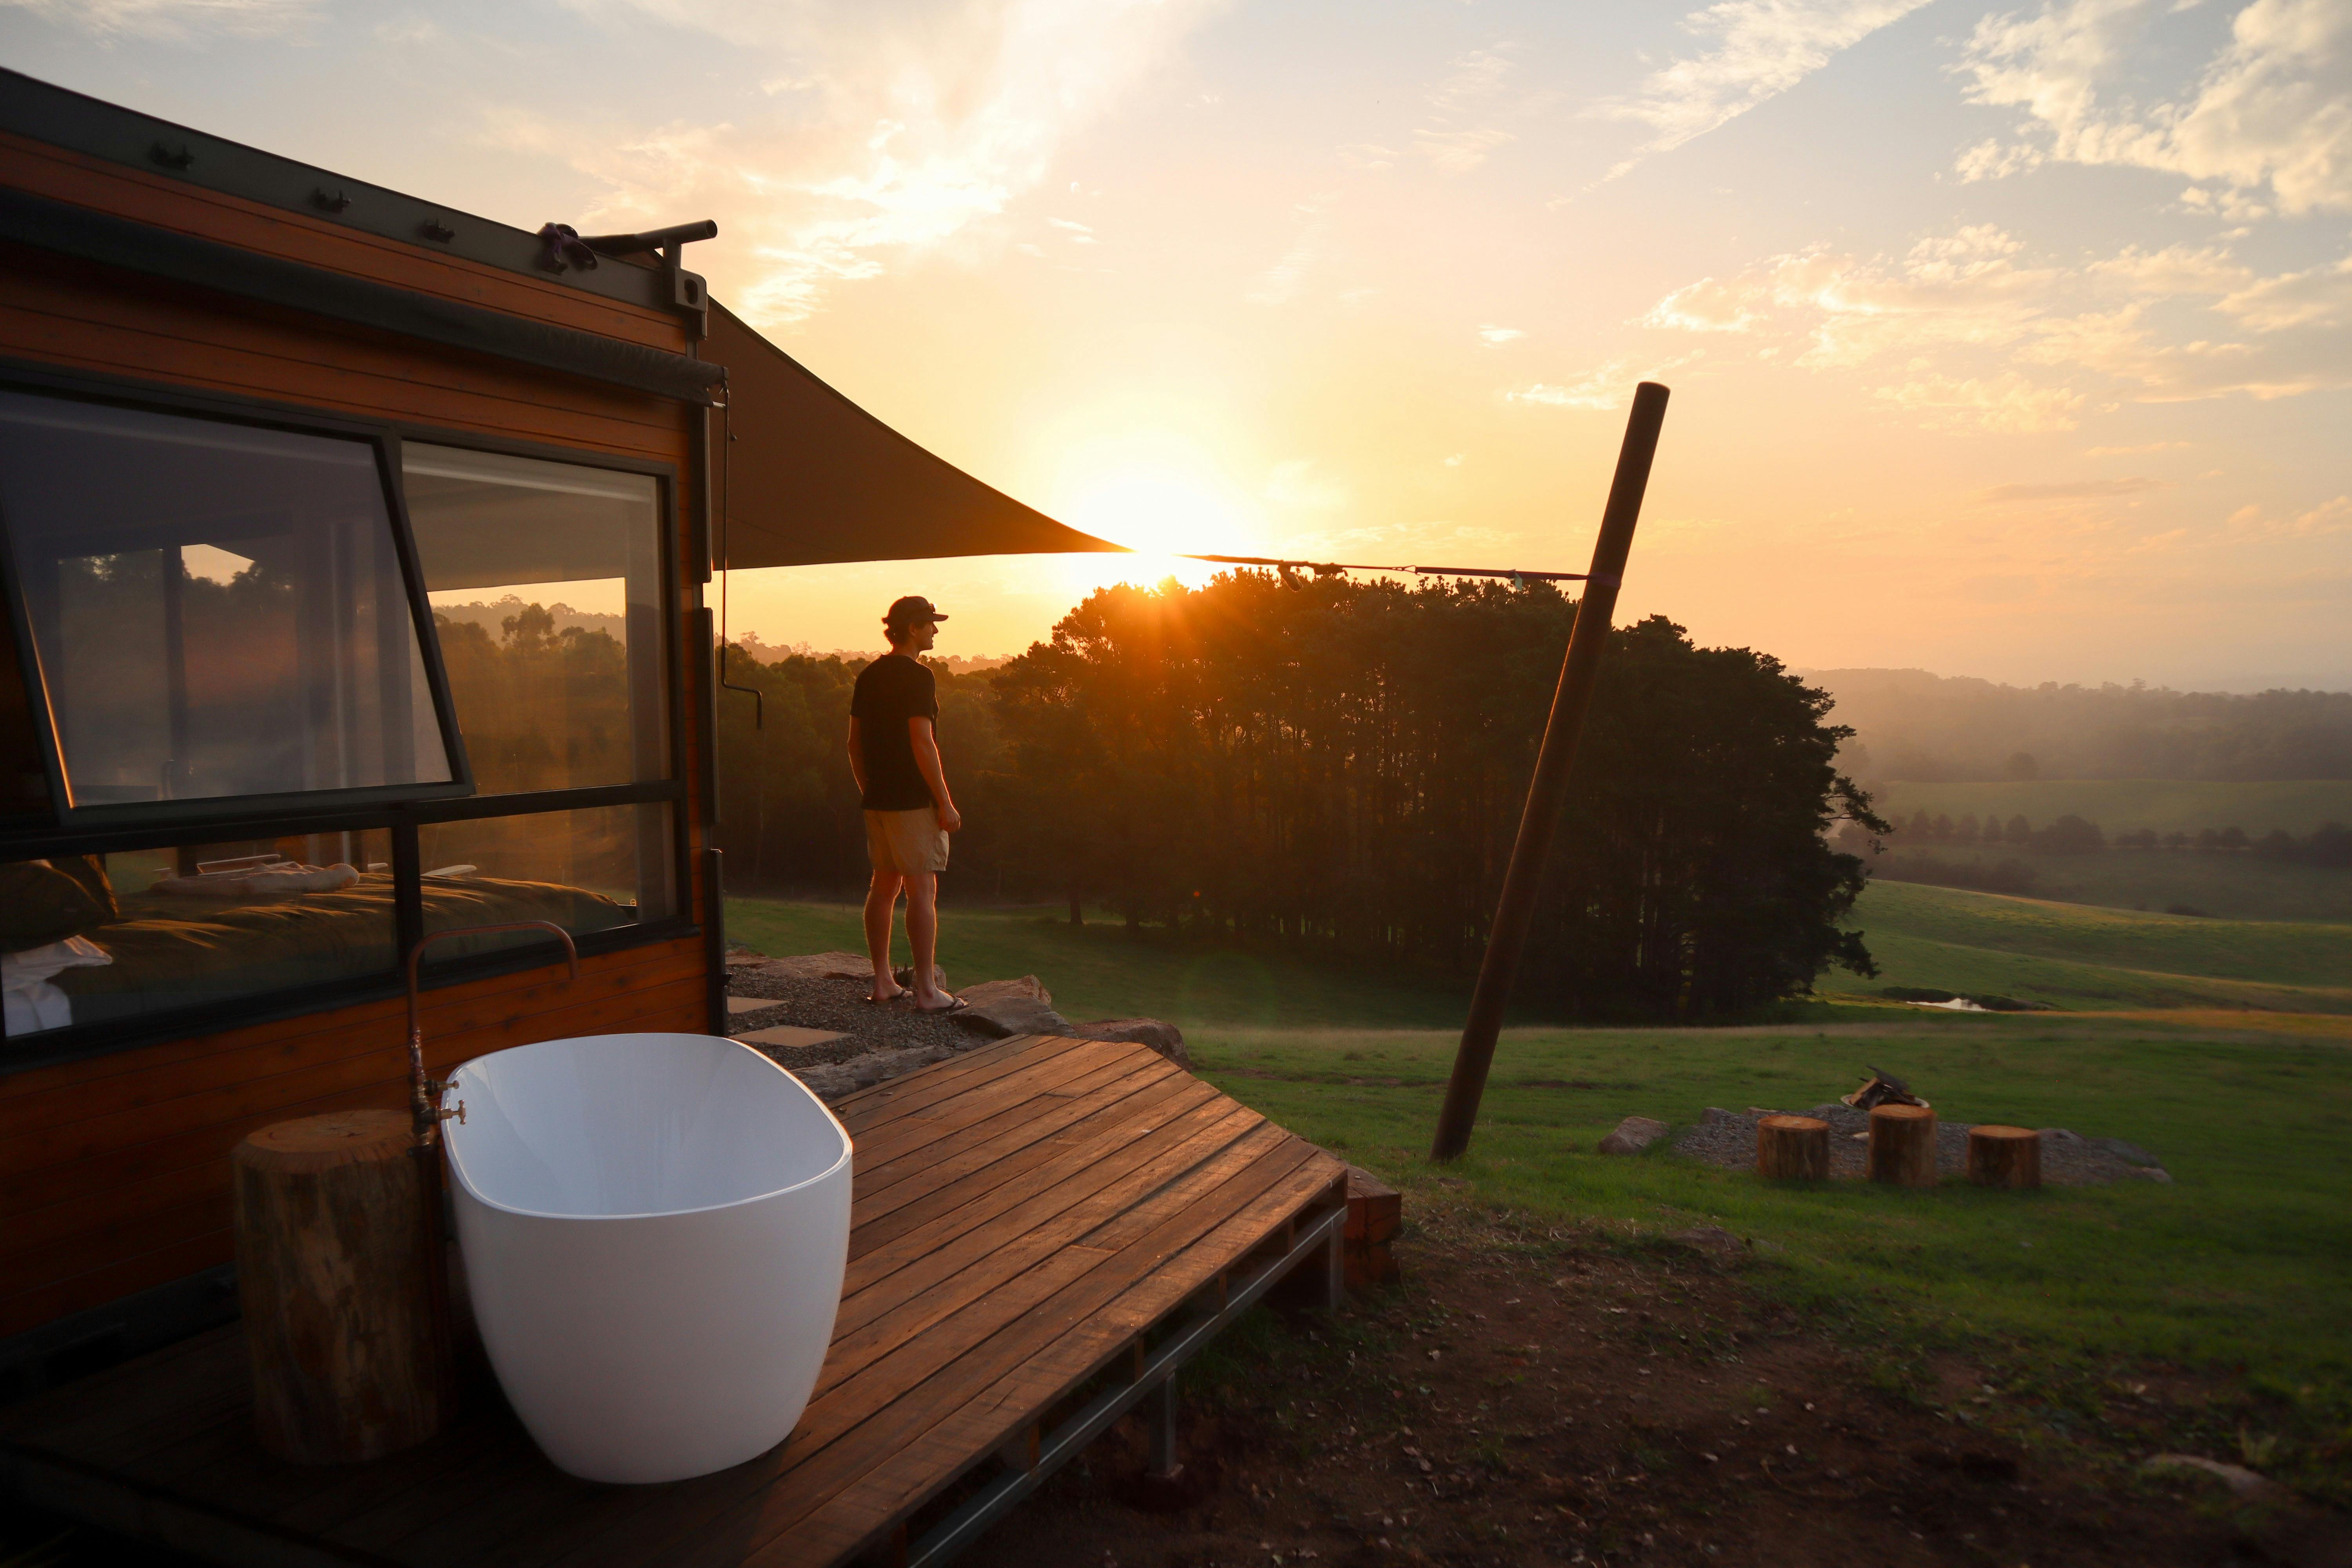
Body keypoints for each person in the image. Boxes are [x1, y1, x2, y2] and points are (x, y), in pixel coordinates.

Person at [847, 596, 965, 1011]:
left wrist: (870, 788)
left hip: (877, 801)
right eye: (931, 624)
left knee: (883, 888)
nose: (936, 630)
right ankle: (928, 993)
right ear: (913, 629)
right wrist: (944, 802)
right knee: (922, 891)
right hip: (912, 803)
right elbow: (922, 741)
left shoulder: (868, 674)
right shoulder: (919, 676)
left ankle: (883, 983)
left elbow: (853, 744)